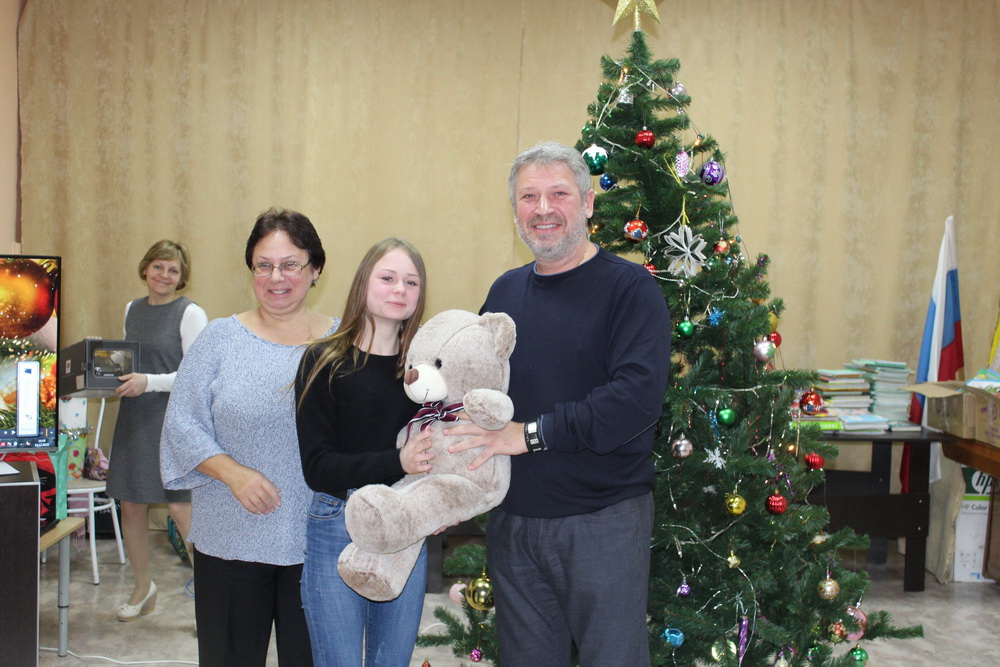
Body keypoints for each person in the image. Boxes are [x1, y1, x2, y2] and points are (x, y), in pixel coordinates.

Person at [447, 142, 672, 665]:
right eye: (529, 196)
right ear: (515, 209)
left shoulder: (630, 290)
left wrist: (530, 434)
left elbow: (634, 401)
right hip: (513, 523)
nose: (543, 209)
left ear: (588, 203)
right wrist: (444, 487)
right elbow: (472, 392)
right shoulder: (504, 293)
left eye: (559, 194)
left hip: (602, 522)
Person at [161, 208, 336, 666]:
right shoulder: (219, 339)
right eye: (264, 265)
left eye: (290, 264)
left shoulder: (342, 344)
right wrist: (233, 473)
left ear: (316, 268)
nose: (276, 277)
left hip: (319, 542)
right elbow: (181, 423)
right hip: (230, 538)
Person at [295, 237, 434, 666]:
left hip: (405, 528)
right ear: (363, 283)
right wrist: (398, 461)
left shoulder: (425, 373)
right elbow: (318, 467)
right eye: (388, 278)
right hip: (337, 522)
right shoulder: (323, 360)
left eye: (411, 282)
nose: (400, 290)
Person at [106, 239, 208, 622]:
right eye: (159, 267)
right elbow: (127, 363)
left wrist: (148, 382)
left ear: (182, 278)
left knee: (181, 508)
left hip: (173, 421)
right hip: (134, 417)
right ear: (146, 268)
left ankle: (212, 597)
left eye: (173, 270)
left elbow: (196, 375)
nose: (164, 275)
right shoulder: (131, 309)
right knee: (131, 505)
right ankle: (142, 587)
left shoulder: (191, 313)